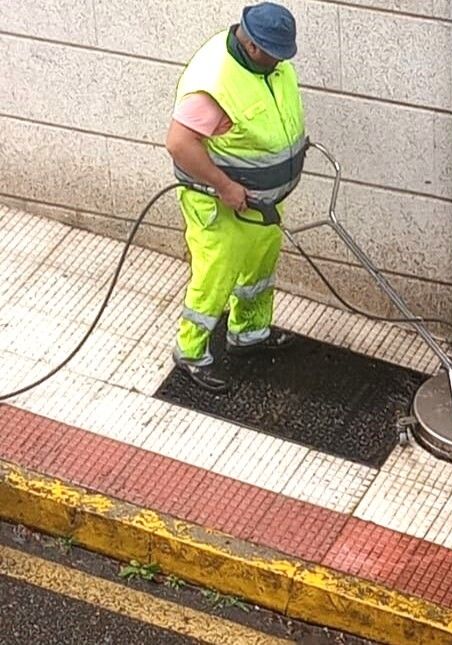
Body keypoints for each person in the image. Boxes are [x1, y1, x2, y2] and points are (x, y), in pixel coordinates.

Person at [165, 2, 307, 392]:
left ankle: (248, 334)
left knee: (260, 263)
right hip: (219, 202)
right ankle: (191, 352)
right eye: (277, 54)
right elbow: (179, 143)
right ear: (255, 47)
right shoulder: (215, 81)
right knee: (216, 273)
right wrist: (225, 187)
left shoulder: (268, 65)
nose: (283, 62)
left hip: (261, 202)